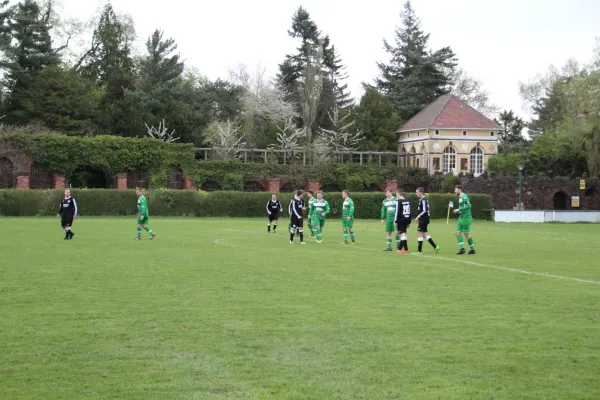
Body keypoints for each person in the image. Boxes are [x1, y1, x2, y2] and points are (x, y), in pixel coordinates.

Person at [412, 187, 439, 254]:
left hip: (424, 218)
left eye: (417, 192)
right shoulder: (421, 199)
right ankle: (435, 247)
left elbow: (424, 210)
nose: (416, 193)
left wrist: (418, 217)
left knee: (420, 233)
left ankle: (419, 251)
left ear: (421, 192)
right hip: (423, 218)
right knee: (424, 234)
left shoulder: (423, 200)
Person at [453, 185, 476, 254]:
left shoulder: (464, 196)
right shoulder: (460, 197)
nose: (455, 191)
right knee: (457, 233)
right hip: (461, 217)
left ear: (460, 190)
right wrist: (458, 211)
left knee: (466, 234)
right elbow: (463, 206)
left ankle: (473, 249)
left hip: (466, 217)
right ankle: (462, 249)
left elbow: (468, 206)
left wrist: (458, 209)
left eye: (456, 190)